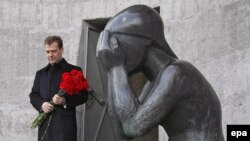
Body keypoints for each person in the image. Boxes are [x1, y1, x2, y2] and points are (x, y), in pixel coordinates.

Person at [97, 5, 224, 141]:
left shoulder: (177, 73)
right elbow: (123, 133)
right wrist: (111, 70)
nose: (113, 51)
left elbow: (133, 126)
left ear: (143, 40)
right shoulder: (153, 84)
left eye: (117, 44)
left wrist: (116, 67)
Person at [29, 36, 88, 141]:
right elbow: (33, 95)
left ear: (62, 50)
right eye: (47, 52)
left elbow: (84, 96)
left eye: (54, 51)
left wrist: (65, 101)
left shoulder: (74, 70)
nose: (50, 55)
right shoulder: (40, 74)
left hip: (65, 126)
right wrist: (42, 104)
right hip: (45, 125)